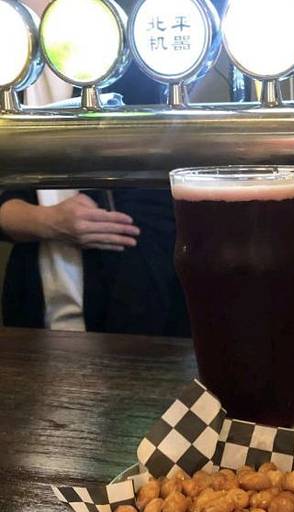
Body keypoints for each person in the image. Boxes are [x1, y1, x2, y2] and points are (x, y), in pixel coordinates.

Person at [0, 13, 189, 336]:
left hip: (138, 302)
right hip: (37, 301)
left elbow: (166, 173)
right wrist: (47, 221)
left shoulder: (138, 29)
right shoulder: (11, 41)